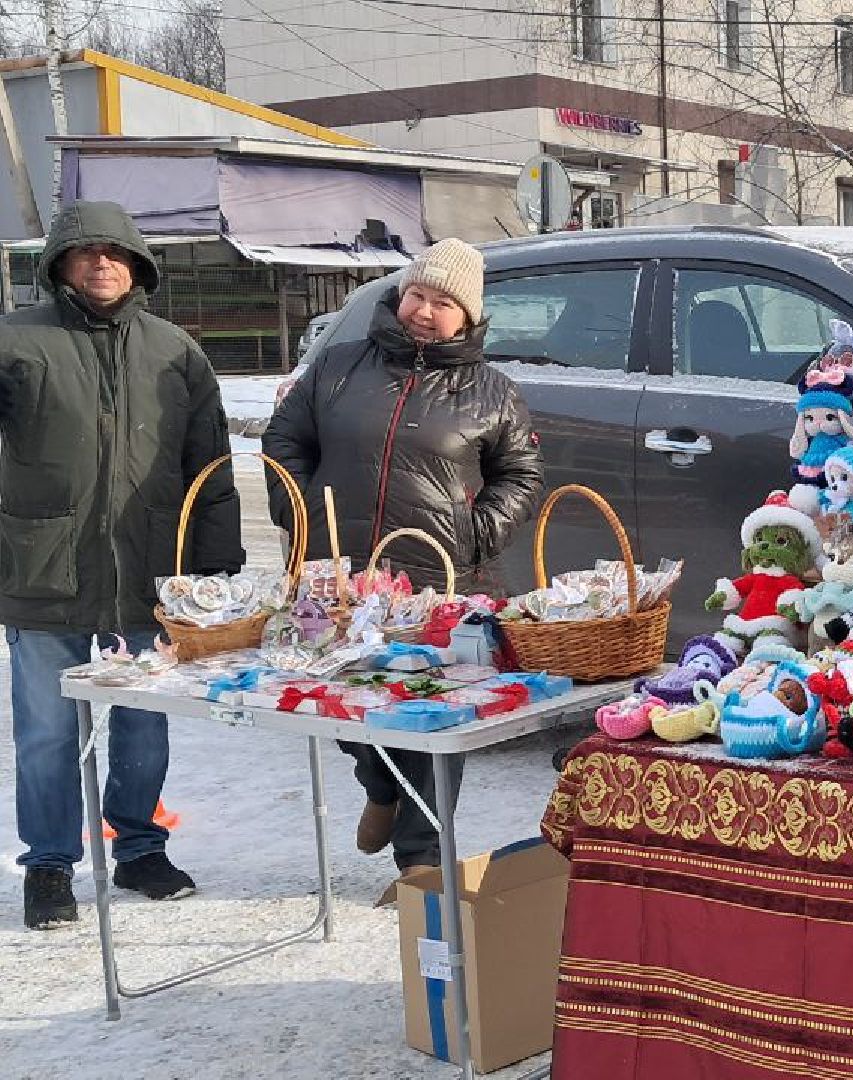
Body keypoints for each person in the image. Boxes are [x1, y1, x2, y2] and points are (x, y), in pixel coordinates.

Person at [264, 238, 541, 897]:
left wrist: (474, 534)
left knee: (423, 716)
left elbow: (520, 477)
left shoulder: (492, 393)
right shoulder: (335, 366)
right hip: (335, 573)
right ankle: (378, 784)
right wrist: (302, 514)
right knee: (330, 700)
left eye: (443, 302)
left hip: (438, 581)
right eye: (417, 294)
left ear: (467, 318)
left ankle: (420, 861)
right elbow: (284, 442)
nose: (424, 310)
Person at [3, 202, 243, 929]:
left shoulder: (176, 352)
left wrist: (214, 563)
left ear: (137, 264)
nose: (101, 264)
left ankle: (139, 847)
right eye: (84, 253)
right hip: (43, 571)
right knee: (47, 731)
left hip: (149, 572)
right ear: (58, 265)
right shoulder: (16, 342)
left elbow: (211, 465)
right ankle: (49, 865)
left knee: (143, 723)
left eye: (115, 252)